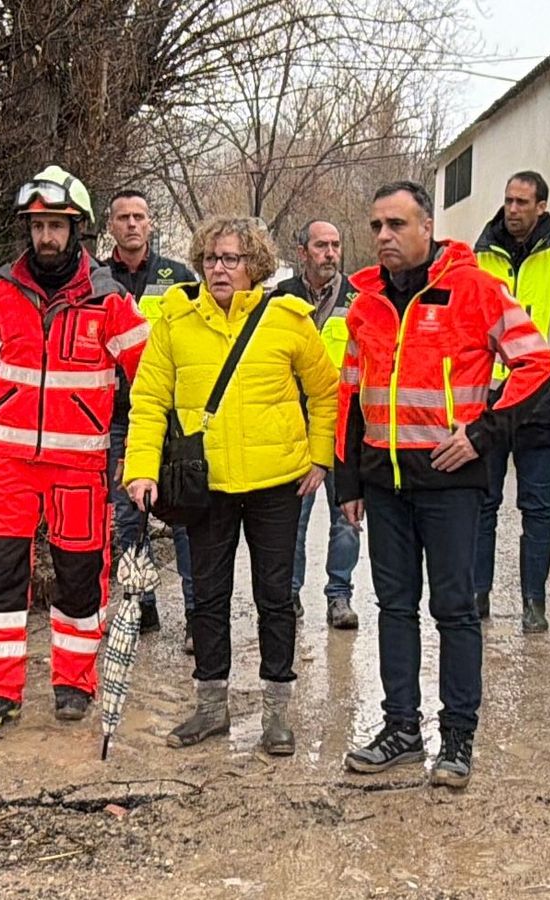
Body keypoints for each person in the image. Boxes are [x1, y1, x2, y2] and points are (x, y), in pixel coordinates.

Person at [336, 181, 550, 789]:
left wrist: (484, 433)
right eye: (377, 226)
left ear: (427, 227)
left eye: (397, 224)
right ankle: (401, 730)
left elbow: (537, 363)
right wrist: (348, 481)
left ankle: (458, 737)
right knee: (394, 607)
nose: (384, 236)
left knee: (455, 610)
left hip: (451, 482)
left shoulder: (475, 289)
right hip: (384, 481)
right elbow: (350, 393)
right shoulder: (365, 304)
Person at [0, 165, 150, 733]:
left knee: (80, 577)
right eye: (37, 226)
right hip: (9, 467)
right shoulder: (2, 295)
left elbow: (150, 379)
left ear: (77, 229)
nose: (45, 237)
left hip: (80, 468)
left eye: (55, 225)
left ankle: (74, 684)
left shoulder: (109, 300)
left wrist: (147, 450)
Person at [125, 216, 337, 756]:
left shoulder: (288, 318)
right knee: (208, 597)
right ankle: (211, 707)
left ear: (255, 265)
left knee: (276, 596)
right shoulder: (175, 321)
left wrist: (319, 458)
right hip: (206, 486)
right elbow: (148, 401)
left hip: (277, 485)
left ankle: (276, 713)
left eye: (232, 259)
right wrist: (142, 468)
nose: (219, 268)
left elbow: (325, 391)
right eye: (211, 258)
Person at [471, 170, 550, 632]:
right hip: (489, 401)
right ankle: (477, 596)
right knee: (482, 503)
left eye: (522, 202)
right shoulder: (479, 258)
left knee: (538, 508)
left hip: (543, 404)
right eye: (508, 200)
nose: (513, 209)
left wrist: (549, 365)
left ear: (542, 206)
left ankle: (534, 603)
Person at [103, 189, 197, 641]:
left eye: (139, 216)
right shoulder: (96, 278)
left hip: (172, 415)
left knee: (184, 517)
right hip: (117, 415)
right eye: (123, 217)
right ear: (111, 226)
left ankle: (197, 614)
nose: (132, 224)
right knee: (128, 516)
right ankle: (141, 605)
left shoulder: (178, 278)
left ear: (151, 223)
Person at [274, 218, 361, 629]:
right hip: (295, 427)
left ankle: (339, 596)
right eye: (321, 245)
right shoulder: (280, 299)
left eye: (335, 245)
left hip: (345, 427)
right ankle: (289, 595)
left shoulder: (358, 299)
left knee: (347, 517)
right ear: (302, 252)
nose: (330, 253)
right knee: (292, 518)